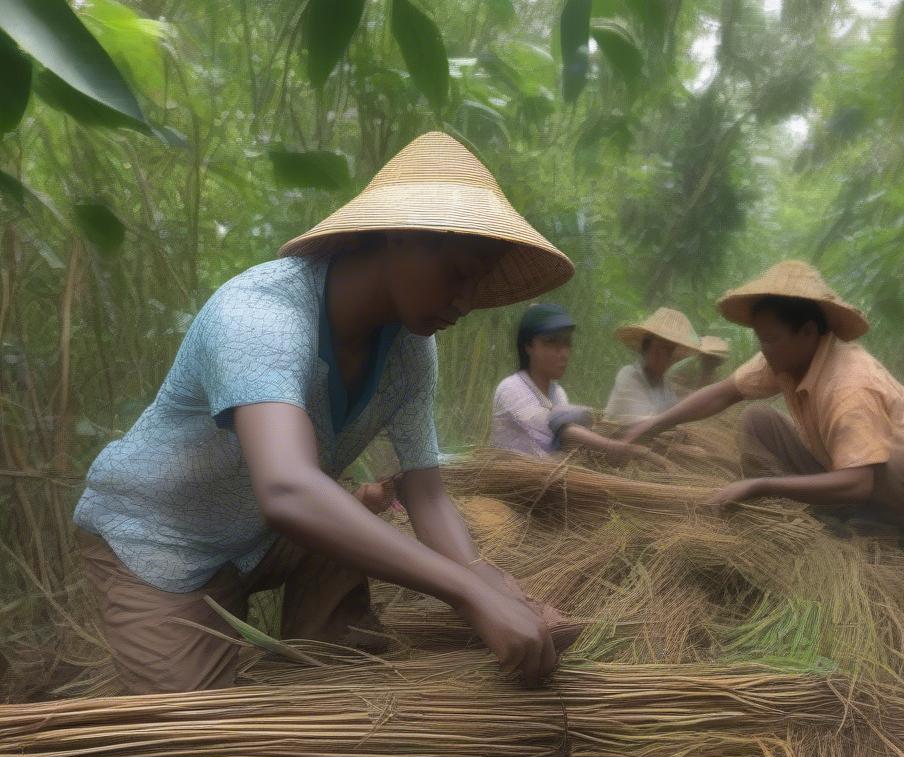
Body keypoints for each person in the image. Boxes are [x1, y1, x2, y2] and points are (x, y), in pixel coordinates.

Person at [74, 132, 579, 693]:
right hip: (163, 541)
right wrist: (468, 593)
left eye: (478, 282)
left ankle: (333, 678)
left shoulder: (411, 348)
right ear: (398, 237)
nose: (465, 301)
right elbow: (289, 490)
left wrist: (483, 576)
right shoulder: (260, 314)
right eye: (458, 273)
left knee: (350, 639)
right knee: (208, 753)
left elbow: (425, 491)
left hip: (258, 533)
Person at [621, 261, 904, 525]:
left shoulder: (850, 385)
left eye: (770, 339)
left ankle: (883, 522)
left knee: (869, 473)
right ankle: (826, 510)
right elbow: (721, 394)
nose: (763, 350)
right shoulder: (784, 355)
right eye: (760, 339)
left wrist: (762, 486)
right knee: (758, 420)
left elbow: (862, 480)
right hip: (848, 468)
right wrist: (652, 426)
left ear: (808, 332)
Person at [490, 303, 658, 465]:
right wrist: (617, 447)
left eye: (566, 343)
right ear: (528, 346)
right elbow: (560, 431)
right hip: (513, 487)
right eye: (551, 342)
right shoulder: (511, 388)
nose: (563, 353)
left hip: (546, 481)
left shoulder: (558, 393)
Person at [603, 307, 703, 423]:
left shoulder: (664, 385)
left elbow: (675, 415)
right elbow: (641, 423)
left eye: (670, 351)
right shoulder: (629, 375)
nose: (664, 356)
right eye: (660, 348)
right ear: (647, 348)